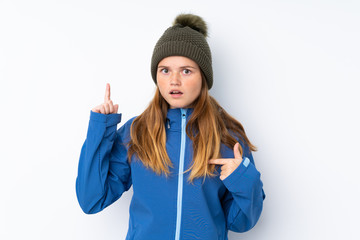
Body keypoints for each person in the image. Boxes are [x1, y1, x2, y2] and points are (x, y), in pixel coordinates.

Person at [76, 13, 265, 240]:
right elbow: (92, 200)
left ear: (203, 77)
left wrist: (243, 179)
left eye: (186, 71)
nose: (174, 80)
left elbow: (241, 222)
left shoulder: (226, 137)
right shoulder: (137, 132)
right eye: (165, 70)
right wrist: (101, 130)